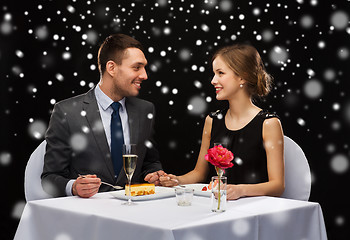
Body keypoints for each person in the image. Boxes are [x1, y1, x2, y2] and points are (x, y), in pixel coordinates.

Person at [42, 33, 164, 198]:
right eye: (137, 67)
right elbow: (50, 177)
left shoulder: (145, 110)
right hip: (89, 216)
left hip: (136, 211)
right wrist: (73, 187)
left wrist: (155, 174)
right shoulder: (66, 112)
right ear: (111, 68)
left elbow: (150, 162)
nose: (144, 75)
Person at [160, 44, 285, 200]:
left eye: (220, 73)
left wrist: (240, 190)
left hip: (254, 210)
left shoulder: (268, 123)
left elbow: (277, 186)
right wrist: (177, 180)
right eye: (214, 73)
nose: (213, 80)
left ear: (242, 77)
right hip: (217, 207)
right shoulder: (212, 121)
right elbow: (199, 173)